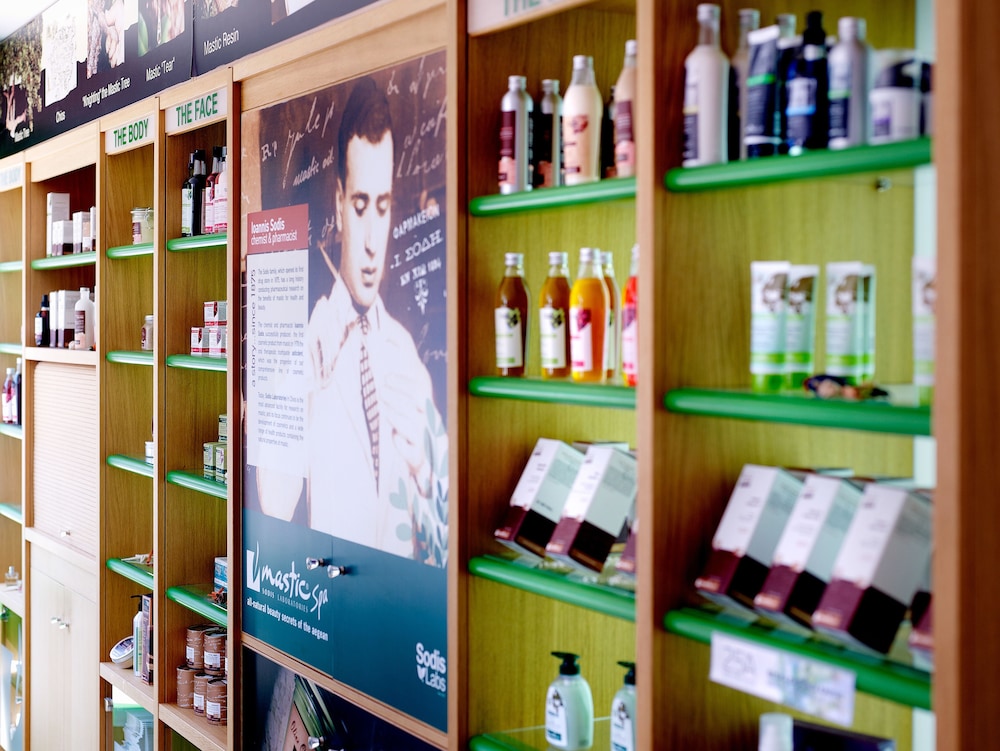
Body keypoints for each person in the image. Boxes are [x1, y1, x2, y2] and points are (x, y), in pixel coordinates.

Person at [259, 77, 448, 566]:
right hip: (329, 596)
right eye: (361, 206)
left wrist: (426, 467)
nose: (370, 241)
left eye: (382, 208)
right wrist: (299, 382)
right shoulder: (307, 346)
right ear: (340, 205)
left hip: (396, 605)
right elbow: (273, 505)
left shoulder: (406, 358)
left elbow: (442, 539)